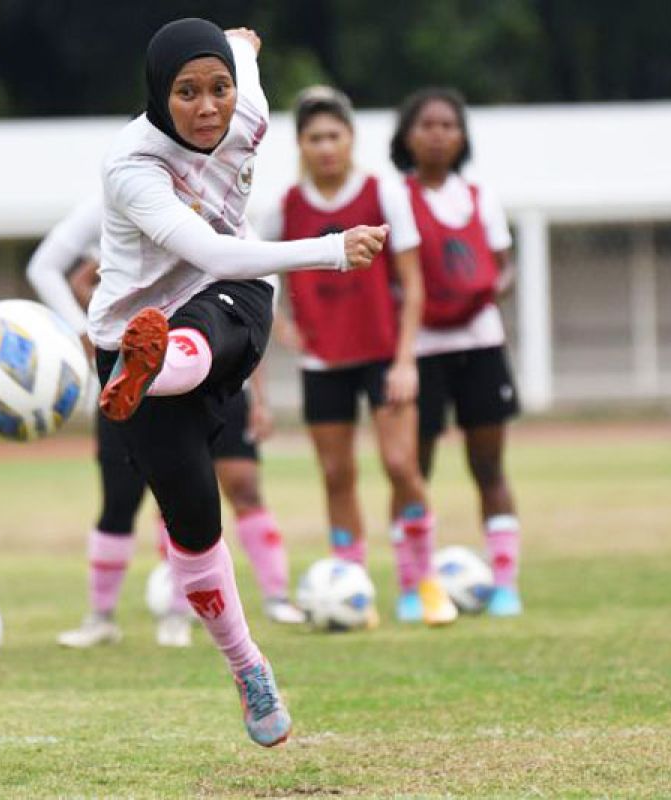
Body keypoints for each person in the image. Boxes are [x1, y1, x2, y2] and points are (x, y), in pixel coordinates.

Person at [88, 19, 388, 747]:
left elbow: (245, 58)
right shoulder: (131, 164)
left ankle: (164, 361)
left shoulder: (246, 103)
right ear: (159, 96)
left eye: (217, 87)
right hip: (128, 338)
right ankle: (247, 664)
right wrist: (331, 250)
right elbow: (206, 249)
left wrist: (243, 48)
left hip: (227, 307)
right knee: (194, 527)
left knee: (215, 313)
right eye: (186, 92)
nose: (208, 106)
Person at [24, 197, 305, 653]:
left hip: (203, 371)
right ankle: (100, 618)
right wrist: (82, 328)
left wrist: (259, 394)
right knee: (119, 498)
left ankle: (193, 611)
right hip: (125, 375)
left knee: (188, 497)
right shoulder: (116, 201)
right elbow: (46, 267)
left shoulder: (217, 203)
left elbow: (248, 305)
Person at [261, 86, 457, 626]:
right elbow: (253, 270)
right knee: (336, 474)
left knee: (401, 465)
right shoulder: (286, 208)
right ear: (301, 145)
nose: (325, 147)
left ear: (351, 139)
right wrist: (278, 323)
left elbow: (413, 285)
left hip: (382, 355)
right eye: (314, 137)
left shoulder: (384, 194)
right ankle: (354, 589)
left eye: (334, 136)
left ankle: (422, 583)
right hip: (324, 361)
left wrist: (405, 360)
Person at [389, 87, 524, 617]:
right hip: (419, 349)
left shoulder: (479, 196)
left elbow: (504, 264)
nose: (438, 134)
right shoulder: (395, 197)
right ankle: (411, 585)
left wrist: (486, 285)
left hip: (481, 343)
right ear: (407, 136)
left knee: (488, 465)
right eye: (427, 125)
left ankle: (507, 582)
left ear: (462, 136)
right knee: (412, 467)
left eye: (449, 125)